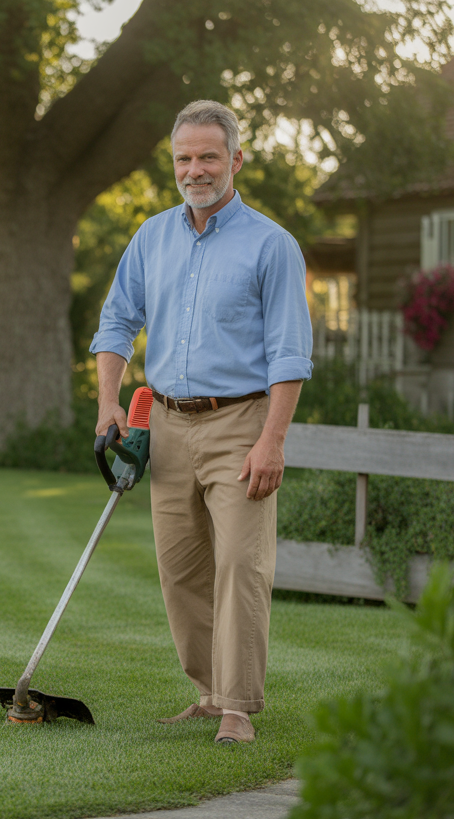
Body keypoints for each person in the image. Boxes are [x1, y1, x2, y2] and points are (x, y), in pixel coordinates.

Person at [89, 100, 312, 744]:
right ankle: (209, 694)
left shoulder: (273, 245)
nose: (196, 169)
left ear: (236, 160)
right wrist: (109, 402)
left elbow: (289, 356)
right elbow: (115, 324)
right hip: (164, 424)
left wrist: (273, 440)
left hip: (240, 423)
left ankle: (239, 706)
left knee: (242, 561)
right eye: (184, 158)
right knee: (181, 566)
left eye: (209, 156)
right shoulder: (150, 237)